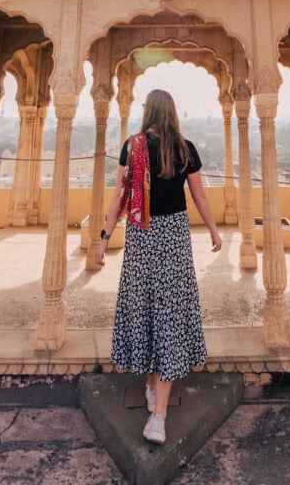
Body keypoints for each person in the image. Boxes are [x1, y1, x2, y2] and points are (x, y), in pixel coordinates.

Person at [96, 88, 222, 445]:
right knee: (167, 314)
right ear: (172, 113)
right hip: (174, 239)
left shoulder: (132, 146)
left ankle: (159, 412)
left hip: (141, 234)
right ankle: (157, 402)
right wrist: (213, 230)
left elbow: (119, 196)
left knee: (148, 309)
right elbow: (199, 195)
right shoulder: (185, 148)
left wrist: (104, 238)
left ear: (148, 112)